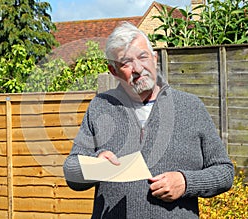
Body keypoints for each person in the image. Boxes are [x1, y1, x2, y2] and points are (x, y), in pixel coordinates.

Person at [63, 22, 234, 218]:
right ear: (113, 71)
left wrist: (186, 182)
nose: (137, 68)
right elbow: (71, 172)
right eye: (126, 63)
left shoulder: (191, 106)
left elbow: (225, 172)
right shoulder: (101, 106)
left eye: (143, 57)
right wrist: (95, 165)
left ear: (155, 58)